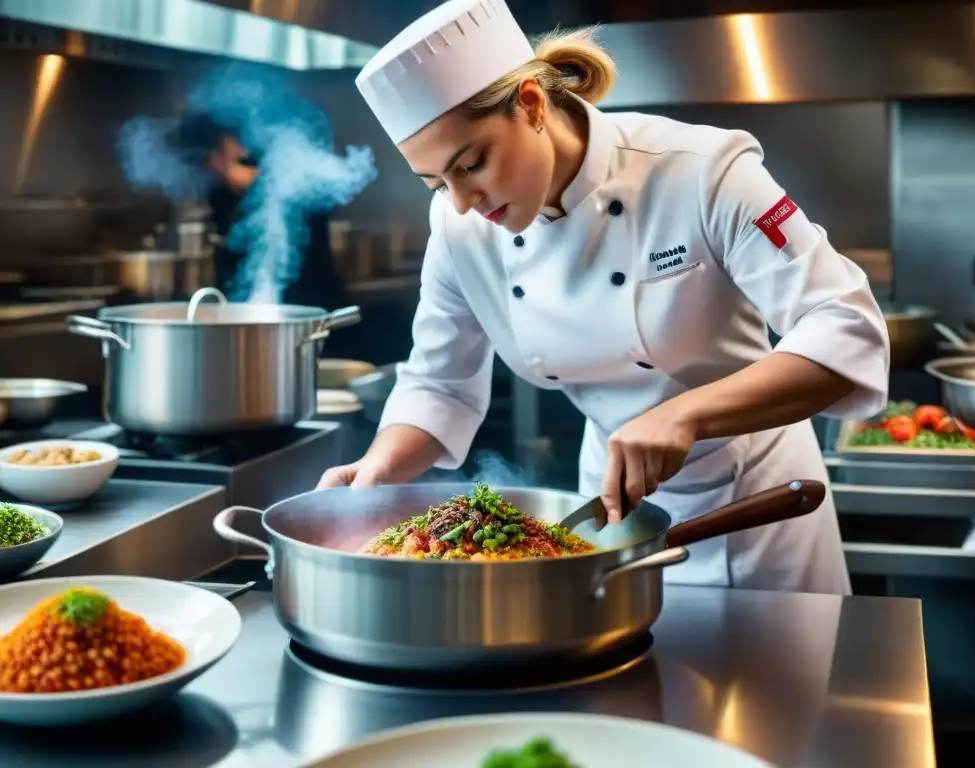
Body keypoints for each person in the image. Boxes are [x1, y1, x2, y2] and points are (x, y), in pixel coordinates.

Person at [317, 0, 890, 594]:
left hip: (756, 506)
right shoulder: (459, 224)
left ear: (532, 105)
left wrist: (684, 414)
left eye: (471, 164)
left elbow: (846, 327)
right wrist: (378, 472)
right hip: (611, 510)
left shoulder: (701, 171)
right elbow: (438, 384)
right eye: (437, 182)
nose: (464, 201)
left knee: (773, 681)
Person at [177, 112, 346, 322]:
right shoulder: (219, 195)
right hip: (246, 313)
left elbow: (328, 202)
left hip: (312, 309)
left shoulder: (288, 175)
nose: (242, 149)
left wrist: (262, 184)